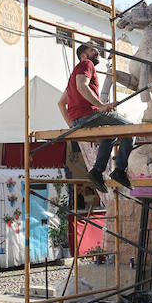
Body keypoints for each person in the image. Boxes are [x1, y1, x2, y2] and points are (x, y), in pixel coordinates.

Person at [57, 42, 132, 194]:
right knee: (130, 128)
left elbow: (60, 103)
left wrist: (72, 125)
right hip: (89, 114)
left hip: (80, 119)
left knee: (109, 134)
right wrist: (101, 106)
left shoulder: (74, 76)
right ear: (83, 55)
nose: (97, 52)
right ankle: (119, 170)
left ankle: (97, 171)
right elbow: (82, 86)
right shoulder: (86, 63)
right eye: (93, 50)